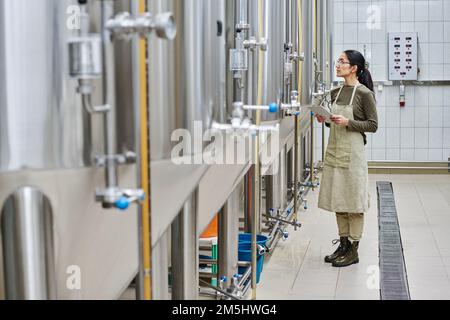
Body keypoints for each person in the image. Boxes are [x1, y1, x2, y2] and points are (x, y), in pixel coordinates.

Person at [316, 50, 378, 268]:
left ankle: (353, 249)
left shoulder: (364, 94)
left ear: (354, 68)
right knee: (339, 198)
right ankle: (342, 244)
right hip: (334, 151)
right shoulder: (336, 92)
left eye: (342, 62)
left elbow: (373, 125)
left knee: (354, 201)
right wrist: (324, 118)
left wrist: (348, 123)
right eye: (338, 61)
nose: (338, 65)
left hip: (353, 155)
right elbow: (332, 121)